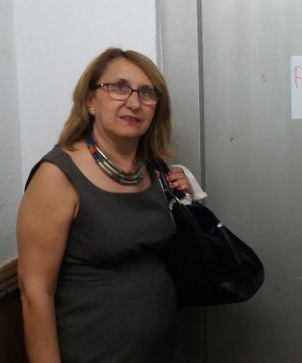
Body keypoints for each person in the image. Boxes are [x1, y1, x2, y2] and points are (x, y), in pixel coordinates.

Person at [16, 48, 205, 363]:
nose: (134, 102)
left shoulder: (154, 170)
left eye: (147, 93)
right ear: (90, 100)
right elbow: (35, 294)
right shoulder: (57, 177)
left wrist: (185, 195)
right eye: (118, 87)